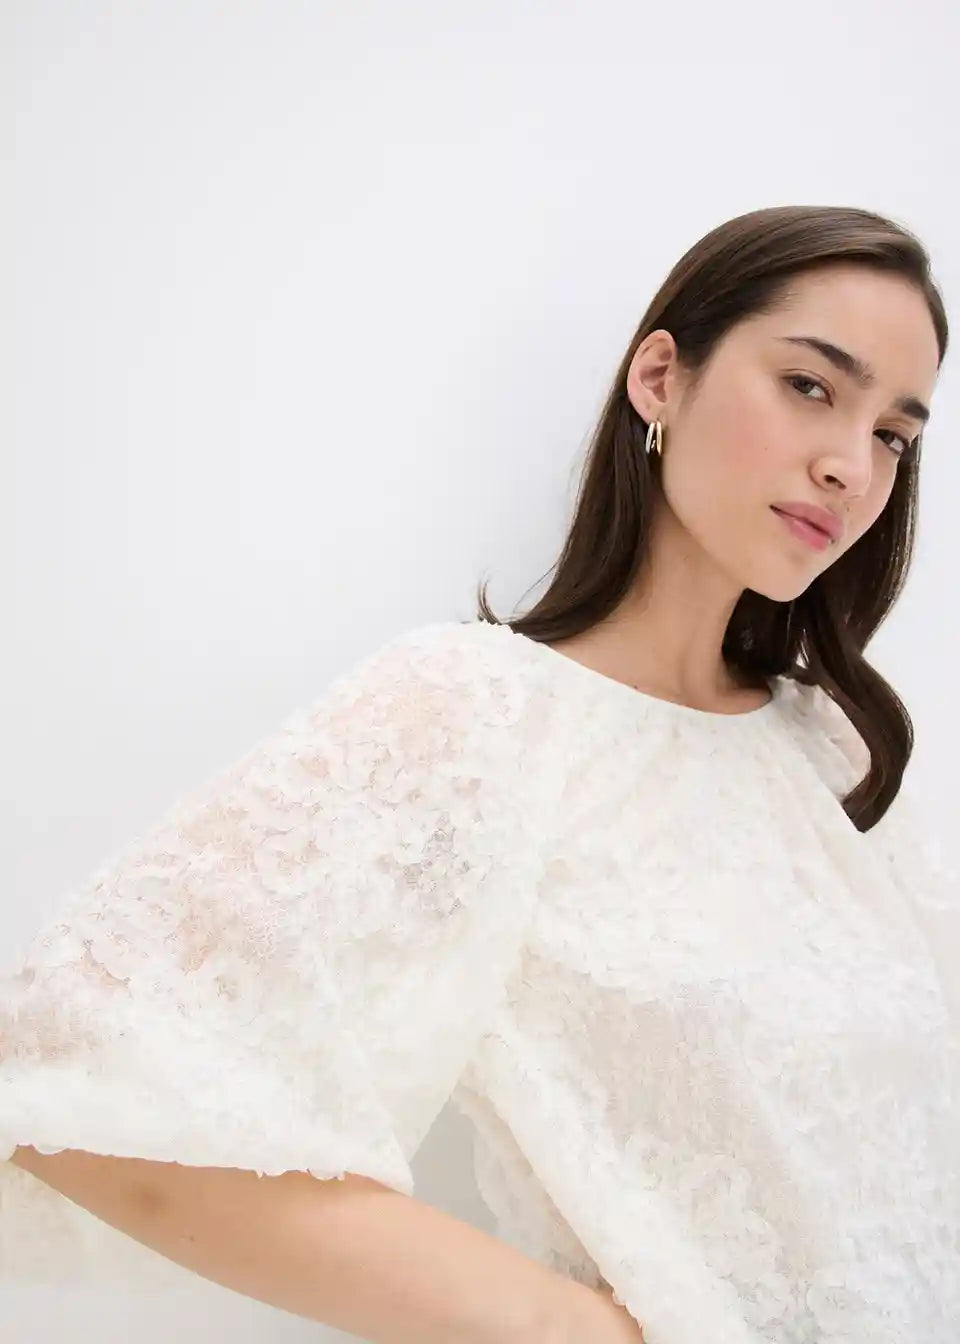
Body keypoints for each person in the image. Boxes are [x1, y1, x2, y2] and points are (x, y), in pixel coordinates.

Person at [2, 203, 957, 1344]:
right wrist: (563, 1327)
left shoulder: (829, 749)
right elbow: (72, 1058)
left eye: (894, 435)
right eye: (809, 386)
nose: (851, 467)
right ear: (661, 377)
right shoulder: (483, 718)